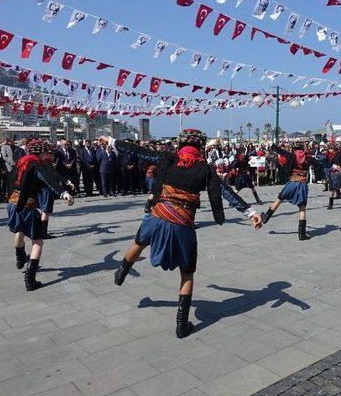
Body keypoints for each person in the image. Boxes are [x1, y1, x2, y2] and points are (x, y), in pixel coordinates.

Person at [104, 129, 262, 339]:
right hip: (183, 222)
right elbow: (225, 191)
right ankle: (181, 326)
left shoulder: (169, 158)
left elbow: (139, 151)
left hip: (157, 215)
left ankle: (121, 272)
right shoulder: (205, 169)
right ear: (201, 147)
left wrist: (113, 141)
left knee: (139, 242)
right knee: (187, 273)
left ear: (180, 145)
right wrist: (250, 212)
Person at [7, 140, 74, 291]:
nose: (47, 154)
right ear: (42, 152)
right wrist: (63, 193)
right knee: (38, 242)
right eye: (46, 152)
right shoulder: (36, 164)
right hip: (27, 205)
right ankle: (30, 280)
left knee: (19, 231)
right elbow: (48, 180)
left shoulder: (21, 161)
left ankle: (20, 259)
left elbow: (10, 180)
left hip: (12, 202)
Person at [260, 141, 320, 241]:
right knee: (302, 208)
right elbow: (319, 164)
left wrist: (274, 146)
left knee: (279, 199)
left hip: (291, 183)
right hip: (302, 184)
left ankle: (266, 217)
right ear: (303, 148)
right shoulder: (309, 158)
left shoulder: (291, 156)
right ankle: (302, 234)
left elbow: (281, 151)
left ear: (295, 149)